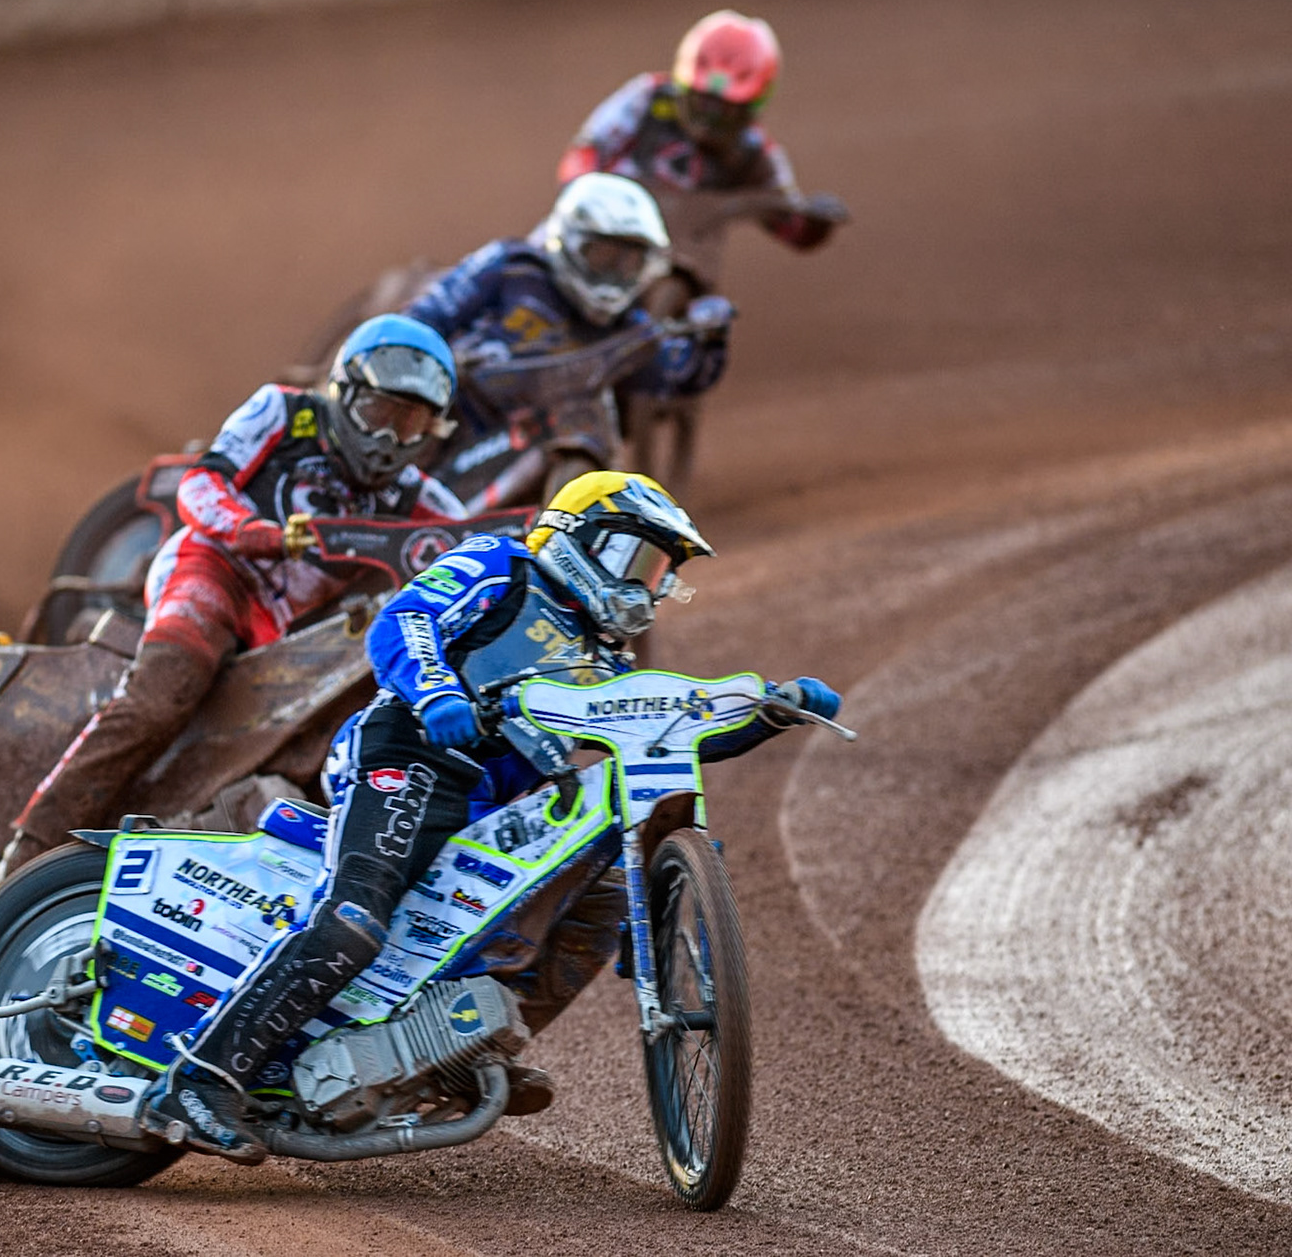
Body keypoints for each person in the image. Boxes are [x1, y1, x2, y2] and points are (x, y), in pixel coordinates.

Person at [146, 471, 841, 1161]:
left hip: (491, 799)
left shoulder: (602, 660)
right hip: (411, 750)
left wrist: (768, 712)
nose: (645, 586)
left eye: (658, 572)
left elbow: (658, 732)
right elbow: (404, 620)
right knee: (356, 920)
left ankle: (467, 1051)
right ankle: (203, 1078)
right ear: (581, 536)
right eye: (639, 559)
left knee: (597, 892)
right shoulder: (502, 565)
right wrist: (439, 693)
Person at [0, 315, 467, 877]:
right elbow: (202, 481)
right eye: (379, 414)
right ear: (345, 393)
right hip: (215, 570)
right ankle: (24, 854)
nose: (389, 438)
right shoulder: (284, 413)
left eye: (410, 423)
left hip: (284, 632)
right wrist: (255, 533)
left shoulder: (424, 499)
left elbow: (476, 553)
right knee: (161, 695)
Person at [401, 171, 733, 435]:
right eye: (603, 257)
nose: (614, 276)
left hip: (553, 437)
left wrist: (712, 338)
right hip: (453, 421)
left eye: (628, 262)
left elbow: (675, 374)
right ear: (569, 240)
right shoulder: (512, 267)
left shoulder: (626, 329)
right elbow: (427, 317)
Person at [557, 10, 848, 283]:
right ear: (683, 87)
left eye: (725, 110)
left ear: (750, 109)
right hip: (590, 238)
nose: (709, 120)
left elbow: (790, 226)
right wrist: (597, 201)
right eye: (702, 103)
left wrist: (815, 223)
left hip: (664, 269)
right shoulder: (646, 99)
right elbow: (579, 160)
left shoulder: (754, 153)